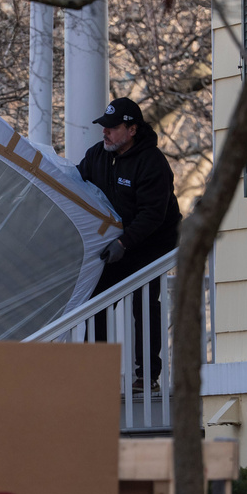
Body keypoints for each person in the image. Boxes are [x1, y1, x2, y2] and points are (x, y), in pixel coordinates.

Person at [77, 97, 182, 392]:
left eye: (112, 127)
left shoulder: (152, 163)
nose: (105, 132)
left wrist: (125, 242)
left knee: (144, 303)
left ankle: (147, 376)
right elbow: (75, 185)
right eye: (104, 127)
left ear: (132, 129)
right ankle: (97, 374)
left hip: (151, 246)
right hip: (115, 242)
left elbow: (152, 215)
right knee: (94, 300)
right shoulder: (97, 155)